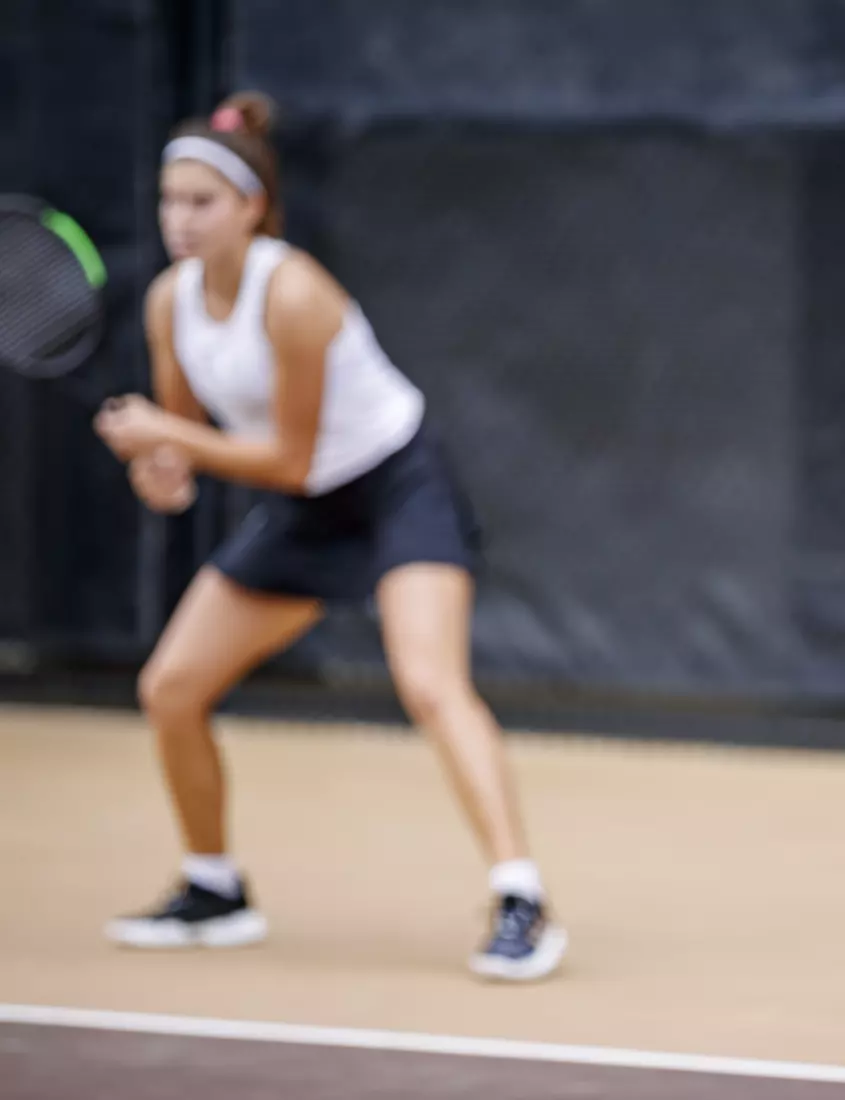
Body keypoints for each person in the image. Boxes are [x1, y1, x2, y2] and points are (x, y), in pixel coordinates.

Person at [92, 91, 567, 983]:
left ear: (252, 208)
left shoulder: (296, 293)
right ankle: (214, 889)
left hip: (395, 488)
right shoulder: (169, 304)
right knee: (171, 688)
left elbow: (288, 457)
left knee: (430, 684)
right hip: (306, 508)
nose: (180, 222)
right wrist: (158, 467)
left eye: (202, 203)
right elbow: (186, 454)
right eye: (169, 201)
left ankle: (520, 900)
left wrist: (167, 436)